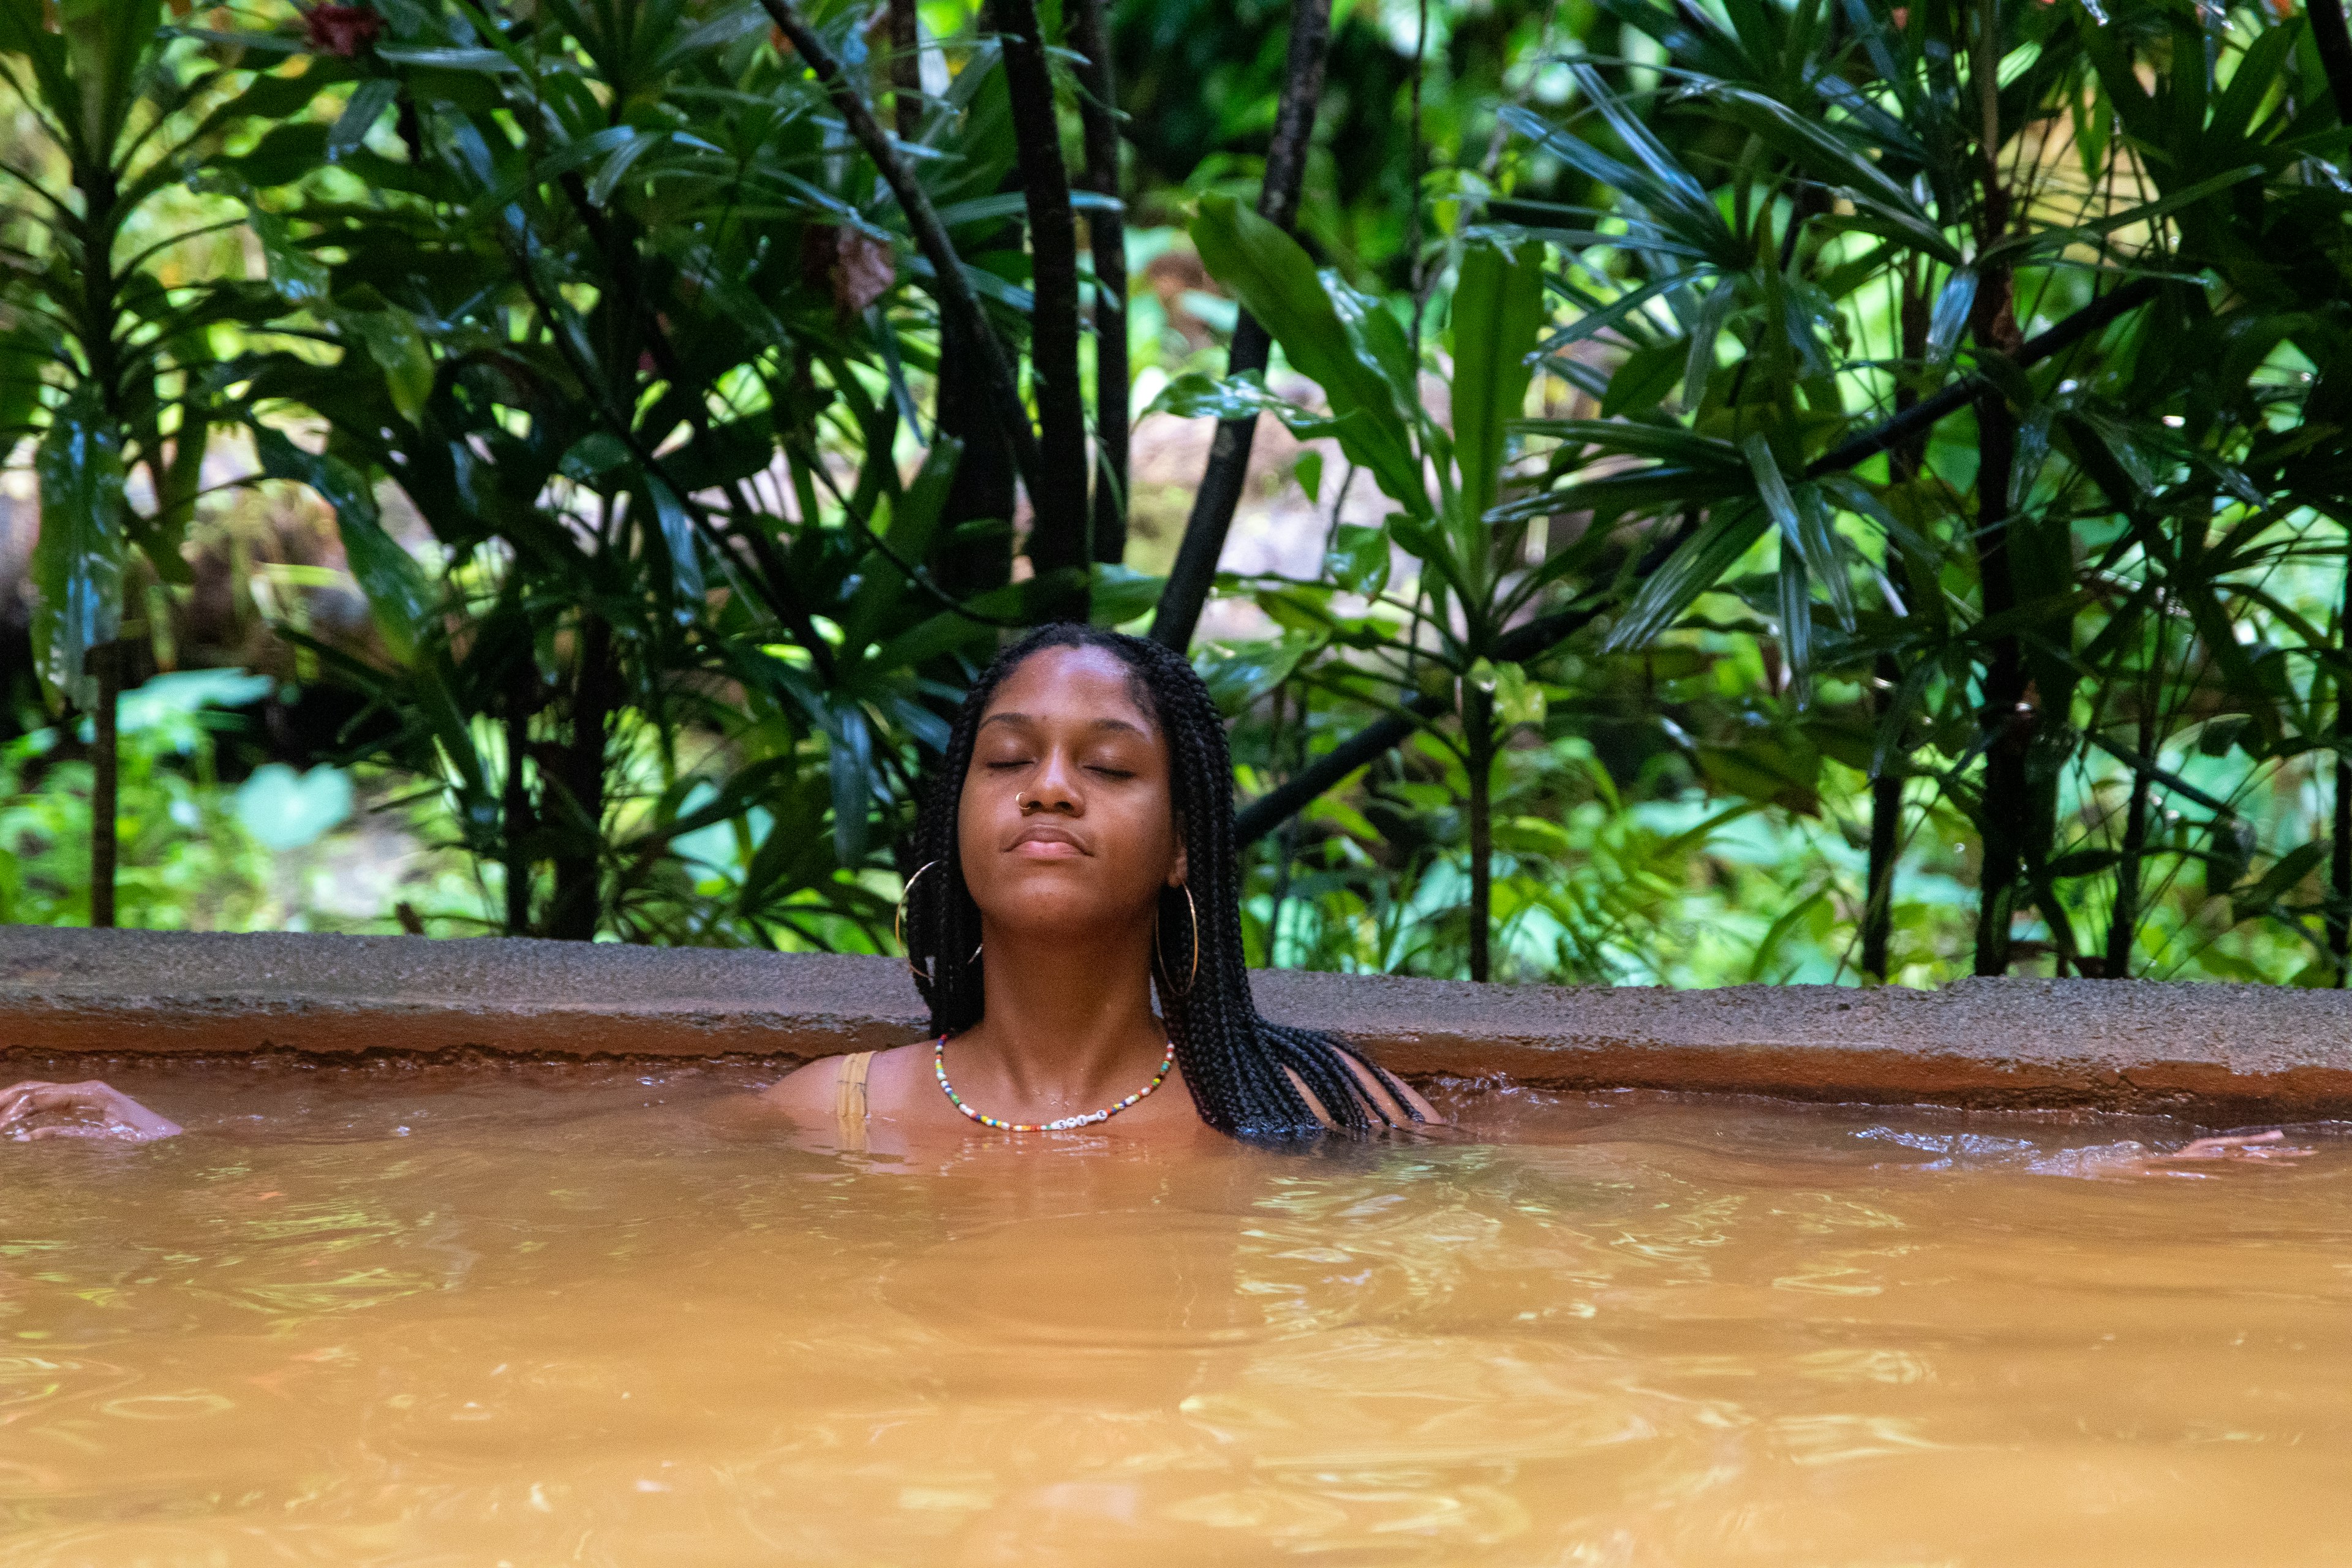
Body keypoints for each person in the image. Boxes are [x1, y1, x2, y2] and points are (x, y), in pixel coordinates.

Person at [1, 625, 1433, 1148]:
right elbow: (508, 1175)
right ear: (958, 810)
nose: (1050, 787)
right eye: (1010, 758)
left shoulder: (1298, 1105)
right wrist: (176, 1132)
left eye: (1109, 766)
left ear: (1187, 842)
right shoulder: (840, 1110)